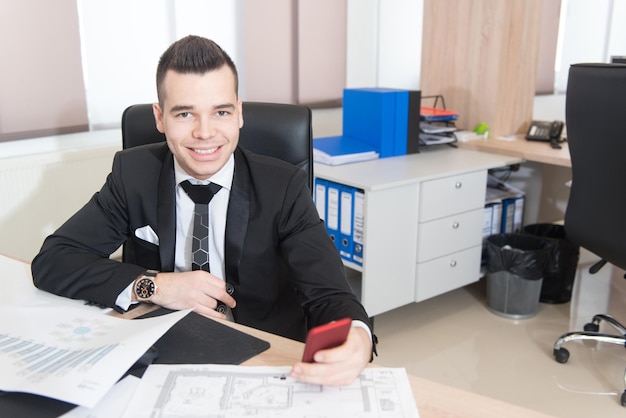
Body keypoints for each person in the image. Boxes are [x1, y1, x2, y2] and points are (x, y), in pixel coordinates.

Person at [31, 35, 375, 386]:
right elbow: (54, 260)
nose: (205, 133)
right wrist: (156, 286)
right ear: (160, 117)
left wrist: (358, 337)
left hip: (261, 357)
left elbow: (330, 294)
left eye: (221, 112)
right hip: (163, 351)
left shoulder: (283, 187)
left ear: (239, 113)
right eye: (184, 114)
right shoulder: (132, 175)